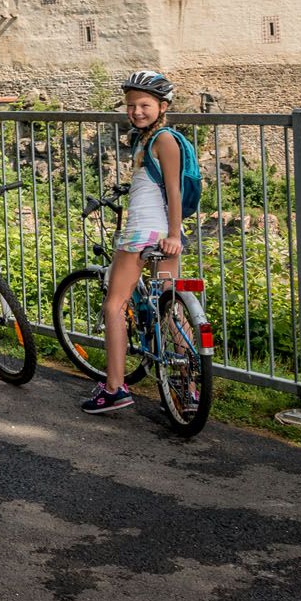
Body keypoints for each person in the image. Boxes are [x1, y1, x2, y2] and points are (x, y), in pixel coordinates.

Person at [83, 68, 185, 415]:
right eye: (131, 106)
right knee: (169, 306)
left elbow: (173, 189)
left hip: (144, 232)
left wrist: (173, 235)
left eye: (144, 105)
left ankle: (114, 388)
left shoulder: (163, 140)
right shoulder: (150, 138)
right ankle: (186, 386)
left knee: (114, 305)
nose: (136, 111)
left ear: (163, 106)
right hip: (159, 233)